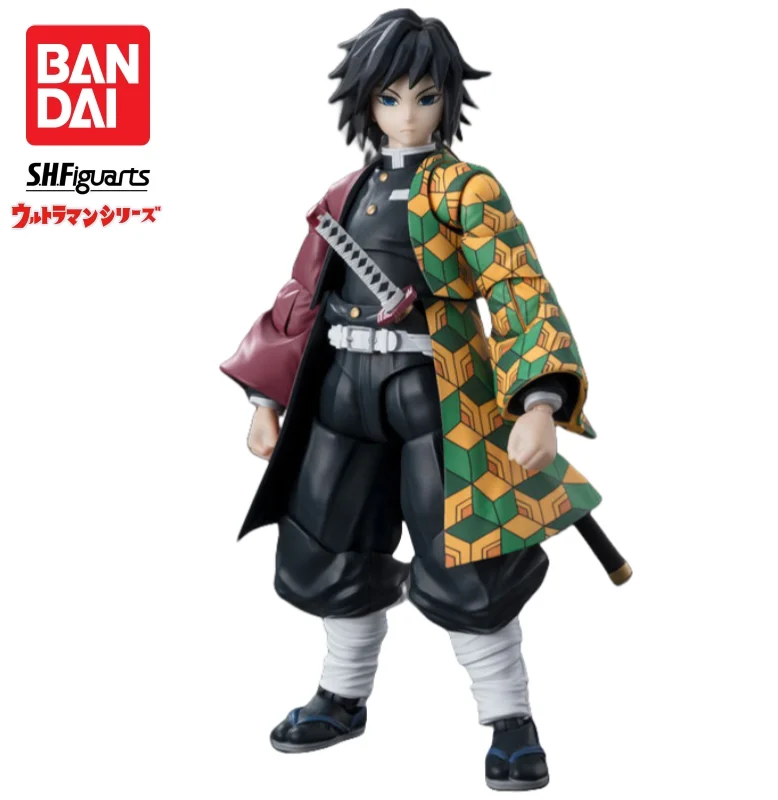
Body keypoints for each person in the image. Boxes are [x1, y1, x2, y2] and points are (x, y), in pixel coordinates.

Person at [221, 9, 602, 791]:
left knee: (470, 558)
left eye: (423, 97)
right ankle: (342, 695)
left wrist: (538, 400)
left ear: (447, 99)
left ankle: (510, 718)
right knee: (332, 546)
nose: (405, 115)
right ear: (365, 101)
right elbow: (303, 293)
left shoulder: (467, 188)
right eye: (389, 98)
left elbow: (516, 286)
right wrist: (266, 395)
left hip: (440, 393)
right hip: (341, 392)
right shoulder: (344, 193)